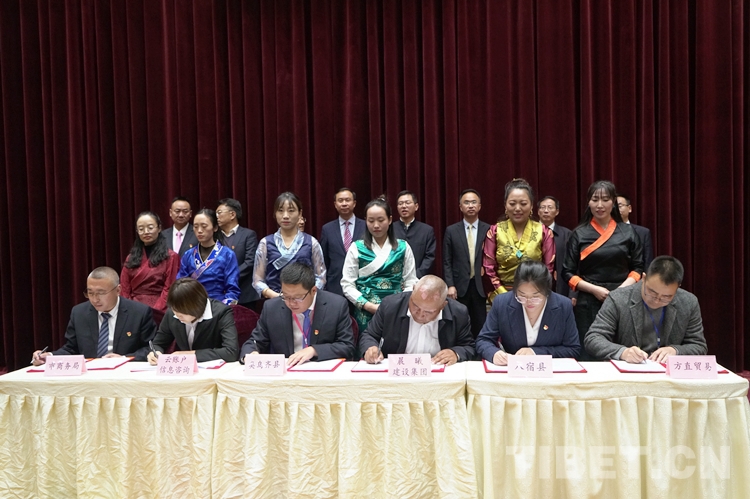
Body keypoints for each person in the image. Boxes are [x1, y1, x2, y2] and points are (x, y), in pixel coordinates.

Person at [563, 180, 644, 360]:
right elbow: (567, 273)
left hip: (624, 299)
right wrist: (594, 290)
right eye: (595, 200)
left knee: (624, 351)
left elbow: (638, 268)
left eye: (605, 200)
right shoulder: (579, 233)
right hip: (589, 299)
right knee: (589, 351)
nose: (600, 205)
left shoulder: (628, 232)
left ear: (613, 201)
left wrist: (621, 290)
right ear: (588, 202)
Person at [585, 256, 707, 363]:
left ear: (677, 288)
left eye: (666, 297)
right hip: (630, 371)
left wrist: (675, 350)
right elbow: (593, 338)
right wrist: (623, 352)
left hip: (669, 373)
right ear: (644, 278)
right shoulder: (618, 298)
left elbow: (698, 345)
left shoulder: (688, 302)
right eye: (652, 292)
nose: (657, 300)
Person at [31, 267, 156, 364]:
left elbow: (150, 349)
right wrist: (49, 356)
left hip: (124, 375)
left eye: (101, 293)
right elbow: (71, 349)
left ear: (118, 290)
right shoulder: (79, 313)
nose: (95, 299)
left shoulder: (139, 312)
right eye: (90, 293)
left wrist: (123, 358)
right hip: (88, 376)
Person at [240, 263, 355, 365]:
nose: (291, 303)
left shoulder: (336, 305)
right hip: (286, 372)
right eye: (286, 296)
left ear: (313, 291)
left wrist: (314, 350)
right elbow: (255, 341)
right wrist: (251, 353)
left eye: (298, 298)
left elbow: (347, 346)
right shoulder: (272, 308)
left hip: (322, 372)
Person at [341, 196, 418, 335]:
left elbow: (411, 281)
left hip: (396, 309)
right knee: (367, 345)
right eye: (371, 221)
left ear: (390, 220)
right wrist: (368, 305)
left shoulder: (403, 247)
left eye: (381, 220)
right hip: (365, 311)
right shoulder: (356, 248)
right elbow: (347, 284)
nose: (376, 225)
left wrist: (399, 304)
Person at [476, 261, 580, 364]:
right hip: (514, 369)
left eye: (535, 297)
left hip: (549, 371)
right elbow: (483, 340)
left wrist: (536, 352)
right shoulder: (502, 303)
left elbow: (573, 349)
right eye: (522, 296)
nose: (528, 302)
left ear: (547, 291)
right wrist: (494, 353)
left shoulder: (563, 306)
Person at [359, 275, 475, 365]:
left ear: (442, 306)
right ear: (413, 290)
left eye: (428, 311)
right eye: (415, 306)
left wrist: (455, 353)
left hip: (436, 374)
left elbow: (469, 346)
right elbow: (369, 335)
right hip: (398, 372)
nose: (420, 314)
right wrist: (370, 348)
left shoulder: (458, 313)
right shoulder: (390, 306)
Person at [482, 178, 555, 303]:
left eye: (523, 203)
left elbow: (548, 269)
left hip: (535, 296)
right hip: (502, 296)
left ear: (531, 205)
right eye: (512, 204)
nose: (517, 208)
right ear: (505, 205)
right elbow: (488, 268)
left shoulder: (544, 232)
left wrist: (532, 293)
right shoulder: (495, 231)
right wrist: (503, 294)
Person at [253, 192, 327, 299]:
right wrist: (277, 296)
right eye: (280, 211)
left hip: (304, 300)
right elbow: (257, 280)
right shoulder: (265, 243)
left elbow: (321, 278)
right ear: (275, 213)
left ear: (300, 213)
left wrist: (306, 296)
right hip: (275, 301)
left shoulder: (311, 242)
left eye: (291, 211)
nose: (285, 216)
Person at [148, 278, 239, 363]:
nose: (177, 316)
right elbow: (158, 343)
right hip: (184, 370)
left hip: (213, 368)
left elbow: (231, 352)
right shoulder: (172, 313)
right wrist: (155, 353)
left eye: (181, 313)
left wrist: (190, 355)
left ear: (197, 307)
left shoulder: (221, 312)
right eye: (175, 311)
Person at [442, 189, 491, 337]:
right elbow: (447, 261)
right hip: (458, 286)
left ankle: (480, 348)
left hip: (481, 284)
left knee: (480, 323)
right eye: (467, 202)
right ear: (460, 207)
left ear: (480, 206)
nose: (470, 206)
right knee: (459, 322)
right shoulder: (451, 230)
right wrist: (450, 285)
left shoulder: (489, 229)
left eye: (474, 202)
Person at [120, 211, 180, 315]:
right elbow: (124, 287)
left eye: (150, 227)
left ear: (159, 228)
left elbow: (169, 289)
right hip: (133, 308)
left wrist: (154, 312)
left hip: (159, 309)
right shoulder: (131, 257)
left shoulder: (171, 257)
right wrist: (129, 308)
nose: (146, 232)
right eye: (141, 229)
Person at [177, 208, 241, 305]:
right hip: (192, 304)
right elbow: (180, 283)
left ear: (215, 228)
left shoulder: (227, 254)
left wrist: (223, 308)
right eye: (195, 227)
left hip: (218, 305)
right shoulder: (188, 255)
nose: (199, 231)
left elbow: (232, 289)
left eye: (204, 226)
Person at [319, 187, 366, 296]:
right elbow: (324, 260)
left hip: (361, 284)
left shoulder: (366, 226)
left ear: (354, 203)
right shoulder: (327, 229)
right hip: (335, 285)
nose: (344, 203)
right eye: (340, 201)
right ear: (335, 204)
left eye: (347, 200)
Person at [216, 198, 259, 308]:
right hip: (219, 294)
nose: (216, 216)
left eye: (219, 212)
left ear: (232, 215)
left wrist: (229, 276)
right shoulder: (214, 236)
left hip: (244, 294)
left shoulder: (248, 235)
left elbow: (250, 262)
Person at [538, 196, 576, 299]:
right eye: (543, 207)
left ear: (557, 212)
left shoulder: (567, 234)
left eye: (550, 207)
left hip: (561, 287)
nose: (546, 211)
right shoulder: (529, 233)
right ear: (538, 211)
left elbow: (574, 265)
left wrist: (573, 293)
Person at [392, 190, 437, 278]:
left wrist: (416, 276)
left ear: (416, 206)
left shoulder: (427, 230)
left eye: (407, 203)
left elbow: (430, 257)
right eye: (400, 203)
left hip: (419, 279)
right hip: (394, 279)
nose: (404, 206)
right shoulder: (390, 229)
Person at [617, 193, 654, 269]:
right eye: (614, 207)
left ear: (629, 208)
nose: (616, 209)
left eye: (620, 206)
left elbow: (647, 260)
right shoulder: (605, 231)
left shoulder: (643, 233)